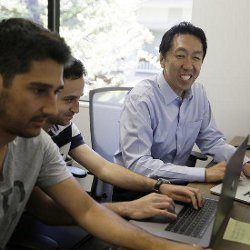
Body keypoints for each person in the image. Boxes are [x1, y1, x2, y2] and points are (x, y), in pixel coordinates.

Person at [0, 18, 203, 250]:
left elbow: (87, 207)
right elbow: (46, 209)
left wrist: (175, 247)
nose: (49, 108)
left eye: (55, 92)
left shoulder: (37, 143)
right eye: (38, 90)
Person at [26, 57, 203, 225]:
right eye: (69, 99)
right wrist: (127, 208)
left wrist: (159, 186)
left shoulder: (63, 128)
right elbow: (44, 210)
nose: (77, 109)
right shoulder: (25, 140)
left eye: (79, 98)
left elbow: (103, 167)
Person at [114, 21, 250, 192]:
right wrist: (204, 174)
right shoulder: (141, 99)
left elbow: (212, 140)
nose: (188, 65)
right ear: (162, 59)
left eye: (196, 57)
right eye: (180, 55)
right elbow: (138, 164)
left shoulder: (198, 93)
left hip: (176, 186)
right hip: (137, 189)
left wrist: (243, 162)